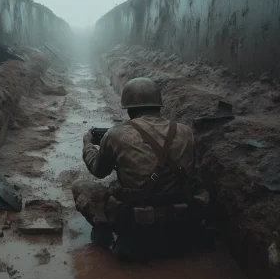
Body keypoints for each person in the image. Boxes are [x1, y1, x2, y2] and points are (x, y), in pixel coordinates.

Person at [72, 77, 209, 259]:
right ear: (158, 105)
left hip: (135, 220)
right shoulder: (186, 131)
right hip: (179, 215)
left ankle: (105, 234)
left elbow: (98, 170)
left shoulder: (115, 134)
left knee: (80, 186)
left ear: (129, 109)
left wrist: (88, 144)